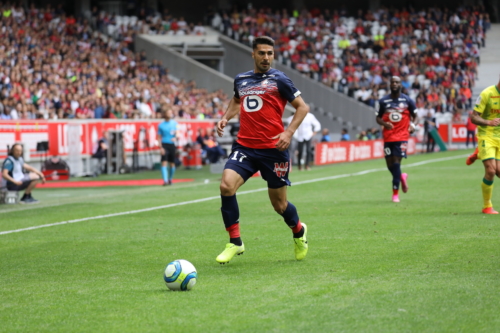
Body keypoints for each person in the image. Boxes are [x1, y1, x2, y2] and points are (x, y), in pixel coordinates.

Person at [215, 36, 310, 264]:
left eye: (270, 53)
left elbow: (302, 108)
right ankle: (235, 242)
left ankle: (298, 231)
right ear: (253, 54)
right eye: (262, 53)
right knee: (226, 186)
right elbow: (237, 100)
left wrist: (287, 133)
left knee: (279, 205)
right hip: (245, 147)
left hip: (273, 150)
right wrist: (226, 117)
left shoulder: (280, 80)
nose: (266, 57)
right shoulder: (242, 79)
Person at [376, 76, 417, 203]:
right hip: (388, 136)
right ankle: (401, 176)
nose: (394, 84)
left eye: (397, 82)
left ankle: (395, 194)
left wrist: (413, 125)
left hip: (402, 136)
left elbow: (415, 115)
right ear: (390, 84)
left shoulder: (408, 100)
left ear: (400, 85)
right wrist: (384, 123)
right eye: (392, 82)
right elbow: (378, 117)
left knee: (396, 162)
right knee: (389, 165)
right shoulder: (383, 101)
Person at [468, 76, 500, 214]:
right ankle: (487, 206)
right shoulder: (487, 93)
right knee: (491, 171)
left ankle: (477, 153)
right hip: (486, 136)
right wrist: (488, 122)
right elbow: (473, 117)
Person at [157, 108, 178, 186]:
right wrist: (160, 147)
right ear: (165, 114)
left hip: (172, 145)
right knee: (164, 162)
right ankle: (165, 180)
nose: (170, 114)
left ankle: (170, 179)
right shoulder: (161, 125)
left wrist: (176, 137)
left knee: (172, 163)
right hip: (164, 145)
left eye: (170, 112)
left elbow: (178, 133)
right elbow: (158, 137)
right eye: (168, 112)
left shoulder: (175, 123)